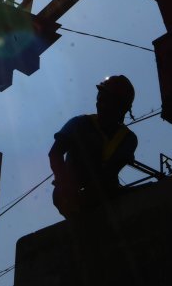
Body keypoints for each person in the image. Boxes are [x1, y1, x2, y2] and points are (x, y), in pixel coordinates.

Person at [49, 75, 138, 218]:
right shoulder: (79, 124)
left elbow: (110, 172)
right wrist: (65, 183)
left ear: (121, 107)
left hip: (103, 193)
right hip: (71, 194)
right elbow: (55, 154)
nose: (100, 103)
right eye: (100, 97)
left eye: (105, 99)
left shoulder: (127, 139)